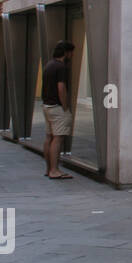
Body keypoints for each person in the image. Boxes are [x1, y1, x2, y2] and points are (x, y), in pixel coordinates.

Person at [41, 41, 77, 180]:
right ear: (66, 52)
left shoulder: (49, 65)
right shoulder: (61, 67)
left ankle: (48, 168)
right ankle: (55, 170)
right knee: (58, 138)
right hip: (57, 107)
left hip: (47, 106)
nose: (73, 55)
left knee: (49, 137)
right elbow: (61, 87)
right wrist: (65, 106)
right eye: (72, 52)